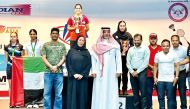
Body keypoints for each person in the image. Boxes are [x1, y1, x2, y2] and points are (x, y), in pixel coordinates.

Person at [91, 27, 122, 109]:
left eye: (108, 32)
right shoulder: (96, 44)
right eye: (104, 32)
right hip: (99, 71)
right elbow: (93, 59)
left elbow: (118, 58)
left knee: (110, 89)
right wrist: (93, 71)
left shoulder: (115, 44)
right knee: (99, 89)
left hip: (111, 72)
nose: (106, 33)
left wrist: (119, 70)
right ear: (102, 33)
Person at [42, 28, 66, 109]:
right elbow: (44, 58)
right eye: (53, 33)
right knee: (46, 94)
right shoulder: (45, 45)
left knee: (58, 94)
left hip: (59, 73)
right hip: (48, 72)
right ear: (50, 34)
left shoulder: (62, 45)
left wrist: (56, 66)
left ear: (58, 35)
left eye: (56, 33)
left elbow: (63, 58)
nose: (55, 34)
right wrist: (51, 66)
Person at [66, 36, 91, 109]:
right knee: (72, 96)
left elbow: (89, 64)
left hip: (83, 78)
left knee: (82, 96)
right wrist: (74, 74)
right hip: (73, 78)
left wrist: (82, 74)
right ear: (77, 41)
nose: (81, 42)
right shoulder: (71, 51)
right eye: (80, 40)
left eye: (83, 40)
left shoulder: (87, 52)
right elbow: (68, 63)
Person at [154, 39, 179, 109]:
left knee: (170, 99)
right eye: (164, 46)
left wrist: (176, 77)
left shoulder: (174, 54)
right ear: (161, 47)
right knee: (160, 98)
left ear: (169, 46)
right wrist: (155, 78)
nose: (165, 47)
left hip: (170, 80)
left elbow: (177, 66)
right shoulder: (158, 55)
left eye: (167, 46)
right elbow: (155, 66)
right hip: (160, 80)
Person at [127, 33, 150, 109]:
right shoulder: (130, 49)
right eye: (135, 40)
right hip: (132, 72)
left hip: (142, 72)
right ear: (133, 40)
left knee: (143, 94)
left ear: (141, 40)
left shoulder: (145, 49)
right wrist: (132, 71)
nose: (136, 42)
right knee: (135, 93)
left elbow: (146, 63)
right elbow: (128, 62)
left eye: (138, 40)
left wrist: (137, 71)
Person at [24, 29, 44, 108]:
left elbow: (42, 54)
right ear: (29, 35)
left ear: (36, 35)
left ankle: (38, 102)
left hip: (39, 66)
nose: (32, 35)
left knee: (38, 84)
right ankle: (29, 102)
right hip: (30, 67)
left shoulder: (40, 43)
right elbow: (25, 55)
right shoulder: (26, 44)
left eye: (34, 34)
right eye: (31, 34)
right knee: (30, 84)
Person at [113, 20, 133, 95]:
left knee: (125, 74)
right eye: (120, 25)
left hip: (126, 58)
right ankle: (117, 90)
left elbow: (132, 46)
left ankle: (124, 89)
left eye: (123, 25)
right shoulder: (114, 35)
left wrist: (127, 49)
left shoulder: (129, 35)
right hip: (117, 58)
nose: (122, 27)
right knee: (118, 74)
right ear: (118, 26)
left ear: (125, 26)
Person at [4, 32, 23, 107]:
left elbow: (22, 58)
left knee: (18, 85)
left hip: (18, 69)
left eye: (14, 36)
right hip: (10, 67)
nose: (13, 38)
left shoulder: (20, 46)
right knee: (11, 85)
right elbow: (6, 59)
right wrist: (10, 64)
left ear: (17, 37)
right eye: (11, 36)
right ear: (10, 37)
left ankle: (18, 102)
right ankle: (11, 102)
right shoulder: (6, 47)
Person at [171, 35, 187, 109]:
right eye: (173, 40)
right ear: (171, 41)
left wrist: (178, 63)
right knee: (172, 92)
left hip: (181, 73)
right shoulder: (169, 49)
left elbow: (188, 59)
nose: (174, 42)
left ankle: (183, 107)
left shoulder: (184, 49)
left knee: (182, 92)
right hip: (171, 73)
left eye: (176, 40)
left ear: (179, 40)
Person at [147, 33, 162, 109]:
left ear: (157, 39)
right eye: (151, 38)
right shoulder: (146, 49)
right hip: (149, 74)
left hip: (159, 75)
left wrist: (156, 69)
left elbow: (164, 60)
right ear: (149, 39)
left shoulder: (161, 48)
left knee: (160, 94)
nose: (153, 40)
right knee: (148, 93)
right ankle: (150, 107)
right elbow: (144, 61)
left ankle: (161, 107)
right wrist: (152, 68)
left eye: (154, 38)